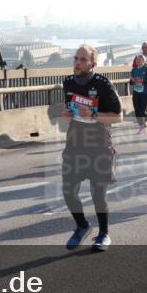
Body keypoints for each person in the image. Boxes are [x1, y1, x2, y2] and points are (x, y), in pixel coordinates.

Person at [61, 45, 123, 251]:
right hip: (75, 145)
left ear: (93, 64)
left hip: (99, 146)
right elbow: (71, 109)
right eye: (75, 58)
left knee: (98, 195)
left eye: (82, 59)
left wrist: (94, 116)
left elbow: (118, 117)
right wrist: (67, 114)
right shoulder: (68, 82)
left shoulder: (104, 84)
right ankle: (82, 226)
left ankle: (104, 234)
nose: (77, 62)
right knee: (68, 191)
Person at [129, 54, 147, 132]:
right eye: (137, 60)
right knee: (137, 111)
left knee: (142, 111)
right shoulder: (134, 70)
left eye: (139, 60)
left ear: (144, 61)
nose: (137, 61)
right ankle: (142, 126)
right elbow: (130, 82)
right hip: (136, 92)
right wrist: (133, 81)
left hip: (146, 92)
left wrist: (142, 82)